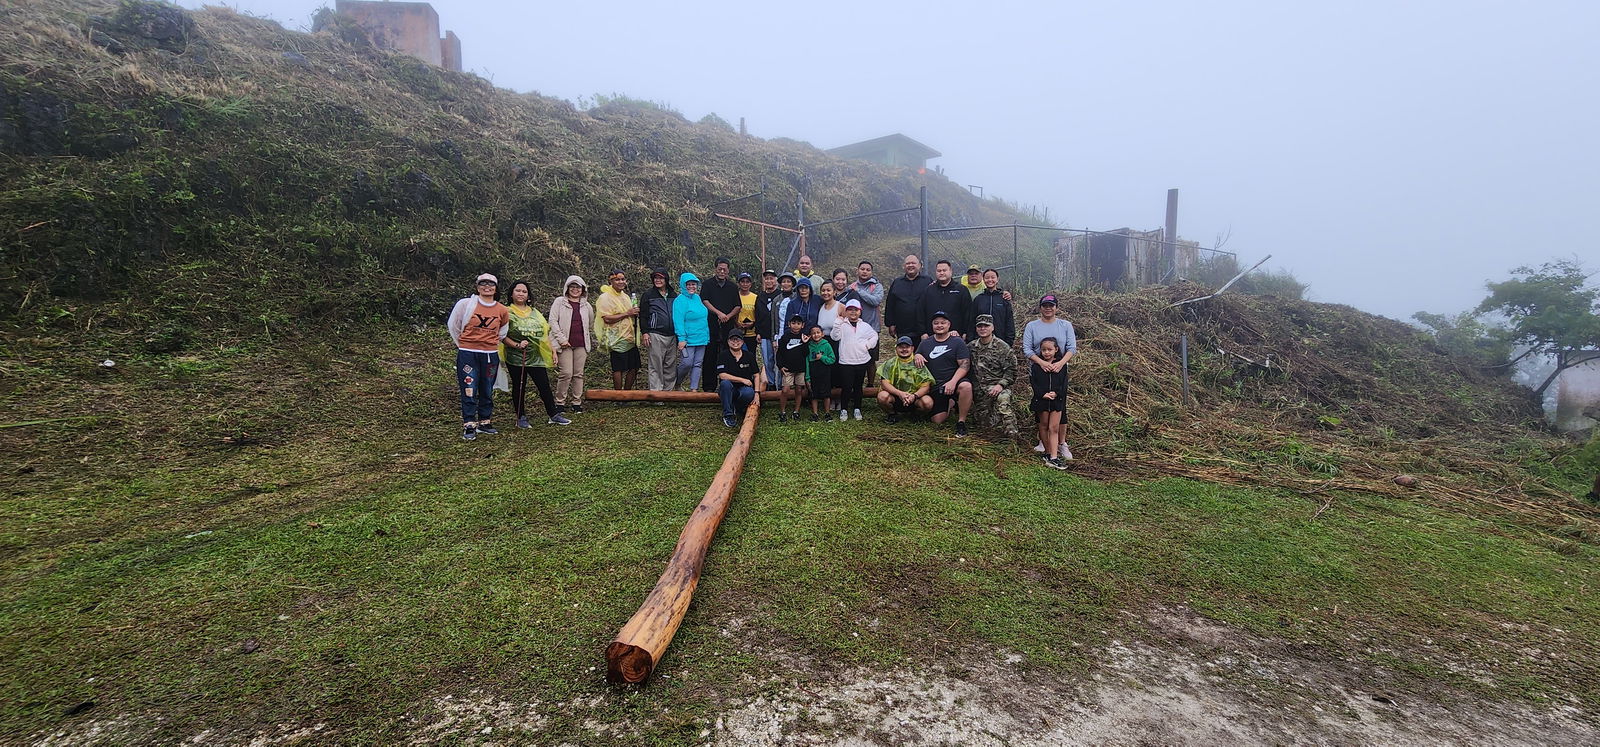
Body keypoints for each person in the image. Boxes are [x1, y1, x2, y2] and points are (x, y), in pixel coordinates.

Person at [447, 273, 509, 440]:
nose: (487, 287)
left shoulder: (502, 310)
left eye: (491, 284)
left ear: (496, 288)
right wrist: (464, 344)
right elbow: (454, 325)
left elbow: (502, 332)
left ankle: (485, 421)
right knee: (469, 387)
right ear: (477, 286)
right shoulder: (466, 304)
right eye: (483, 283)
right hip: (468, 353)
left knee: (487, 388)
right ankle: (469, 423)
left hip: (490, 354)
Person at [503, 280, 568, 427]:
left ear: (528, 295)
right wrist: (517, 345)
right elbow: (501, 335)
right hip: (516, 356)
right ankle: (521, 417)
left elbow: (545, 334)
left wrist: (553, 351)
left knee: (544, 384)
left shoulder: (535, 312)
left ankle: (553, 414)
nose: (521, 293)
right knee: (519, 386)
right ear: (512, 294)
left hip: (536, 356)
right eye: (518, 291)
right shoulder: (506, 312)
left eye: (524, 291)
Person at [1022, 294, 1078, 459]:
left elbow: (1071, 348)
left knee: (1060, 404)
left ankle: (1062, 443)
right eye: (1045, 305)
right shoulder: (1032, 326)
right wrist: (1042, 363)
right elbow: (1027, 349)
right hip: (1039, 370)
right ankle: (1043, 441)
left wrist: (1060, 364)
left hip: (1059, 370)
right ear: (1040, 308)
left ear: (1056, 307)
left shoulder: (1065, 325)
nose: (1048, 308)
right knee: (1041, 403)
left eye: (1051, 305)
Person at [914, 310, 973, 437]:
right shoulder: (925, 343)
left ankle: (961, 422)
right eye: (936, 323)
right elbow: (915, 359)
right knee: (937, 420)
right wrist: (917, 355)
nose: (939, 325)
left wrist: (952, 382)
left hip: (953, 382)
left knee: (966, 386)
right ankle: (951, 403)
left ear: (949, 325)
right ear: (932, 325)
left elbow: (965, 365)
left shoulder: (957, 342)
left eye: (943, 323)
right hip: (935, 386)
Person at [968, 314, 1020, 441]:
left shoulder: (1003, 347)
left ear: (992, 328)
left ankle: (1012, 435)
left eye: (986, 325)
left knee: (1004, 402)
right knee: (984, 426)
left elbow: (1011, 371)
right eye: (979, 326)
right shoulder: (971, 347)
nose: (982, 328)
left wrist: (1000, 385)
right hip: (979, 389)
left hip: (998, 386)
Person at [548, 275, 593, 415]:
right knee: (566, 373)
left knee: (578, 374)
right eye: (572, 287)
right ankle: (560, 402)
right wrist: (561, 339)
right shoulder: (560, 302)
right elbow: (552, 321)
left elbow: (590, 323)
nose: (575, 290)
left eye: (578, 287)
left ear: (583, 289)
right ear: (567, 288)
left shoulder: (586, 305)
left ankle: (576, 402)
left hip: (581, 344)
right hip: (564, 344)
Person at [831, 299, 878, 421]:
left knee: (858, 386)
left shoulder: (865, 326)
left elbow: (874, 336)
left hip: (861, 361)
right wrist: (837, 322)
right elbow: (834, 337)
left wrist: (868, 345)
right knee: (846, 387)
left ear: (860, 312)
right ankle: (844, 409)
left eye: (856, 310)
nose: (853, 312)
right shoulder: (842, 325)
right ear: (846, 311)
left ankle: (857, 408)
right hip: (846, 361)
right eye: (850, 310)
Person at [596, 270, 640, 393]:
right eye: (617, 279)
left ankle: (626, 393)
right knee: (618, 368)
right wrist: (627, 313)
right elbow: (606, 318)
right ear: (611, 281)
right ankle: (618, 395)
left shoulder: (626, 296)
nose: (621, 282)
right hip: (616, 337)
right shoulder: (605, 297)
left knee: (634, 366)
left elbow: (631, 314)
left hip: (630, 336)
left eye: (623, 279)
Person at [700, 258, 741, 392]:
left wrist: (728, 316)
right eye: (720, 269)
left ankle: (726, 385)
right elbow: (705, 301)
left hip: (727, 327)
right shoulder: (707, 284)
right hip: (710, 325)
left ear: (728, 270)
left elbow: (737, 306)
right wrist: (718, 313)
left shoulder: (733, 287)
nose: (722, 271)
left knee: (727, 355)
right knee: (710, 356)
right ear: (715, 269)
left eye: (725, 269)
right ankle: (709, 387)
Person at [843, 261, 885, 389]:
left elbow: (876, 300)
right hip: (853, 328)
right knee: (854, 356)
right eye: (862, 269)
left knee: (871, 359)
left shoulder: (876, 286)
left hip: (871, 328)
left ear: (871, 272)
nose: (865, 271)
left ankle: (871, 385)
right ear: (857, 271)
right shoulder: (851, 287)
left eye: (868, 269)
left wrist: (859, 291)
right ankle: (856, 385)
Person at [1031, 337, 1070, 470]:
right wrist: (1042, 394)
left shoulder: (1061, 365)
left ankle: (1054, 456)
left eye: (1049, 349)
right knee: (1043, 425)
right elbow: (1034, 383)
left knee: (1053, 428)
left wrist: (1056, 393)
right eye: (1044, 350)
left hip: (1056, 401)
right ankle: (1047, 453)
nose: (1046, 352)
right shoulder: (1036, 366)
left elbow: (1064, 384)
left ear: (1056, 350)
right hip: (1042, 400)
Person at [876, 335, 934, 424]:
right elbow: (884, 383)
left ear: (912, 348)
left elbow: (926, 386)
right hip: (895, 397)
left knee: (928, 402)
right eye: (901, 347)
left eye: (907, 347)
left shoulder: (919, 363)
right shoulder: (889, 364)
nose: (904, 350)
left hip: (915, 398)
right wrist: (900, 394)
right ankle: (892, 414)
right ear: (896, 349)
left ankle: (916, 415)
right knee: (882, 396)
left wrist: (914, 396)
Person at [715, 329, 763, 428]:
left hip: (744, 389)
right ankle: (728, 415)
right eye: (732, 340)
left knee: (749, 393)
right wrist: (742, 380)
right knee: (725, 384)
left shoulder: (749, 356)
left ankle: (738, 407)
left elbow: (756, 374)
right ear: (728, 341)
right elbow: (722, 375)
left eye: (738, 340)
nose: (735, 342)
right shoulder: (723, 355)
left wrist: (757, 393)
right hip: (729, 389)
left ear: (742, 342)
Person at [640, 267, 678, 391]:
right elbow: (643, 315)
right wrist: (645, 332)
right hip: (655, 333)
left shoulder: (673, 295)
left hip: (672, 334)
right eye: (656, 278)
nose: (658, 280)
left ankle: (668, 392)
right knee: (656, 365)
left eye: (661, 278)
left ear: (666, 279)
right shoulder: (648, 295)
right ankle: (656, 393)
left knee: (670, 365)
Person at [673, 272, 710, 390]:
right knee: (687, 363)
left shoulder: (697, 298)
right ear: (683, 285)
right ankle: (676, 383)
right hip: (688, 339)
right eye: (688, 284)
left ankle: (694, 389)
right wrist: (681, 338)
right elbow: (678, 320)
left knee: (698, 364)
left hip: (701, 337)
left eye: (693, 284)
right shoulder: (680, 300)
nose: (691, 287)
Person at [884, 254, 932, 342]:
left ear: (920, 265)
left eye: (913, 263)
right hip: (903, 329)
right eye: (907, 263)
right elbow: (890, 304)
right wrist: (891, 324)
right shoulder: (897, 282)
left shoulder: (928, 281)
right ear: (904, 266)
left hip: (923, 331)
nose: (910, 265)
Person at [920, 260, 972, 339]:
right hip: (932, 337)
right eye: (939, 271)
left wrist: (965, 332)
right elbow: (920, 312)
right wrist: (923, 332)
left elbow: (968, 313)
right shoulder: (928, 290)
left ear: (950, 271)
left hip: (955, 336)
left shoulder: (961, 290)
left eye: (944, 270)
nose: (941, 273)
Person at [775, 314, 810, 422]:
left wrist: (804, 343)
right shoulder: (784, 337)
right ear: (789, 324)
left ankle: (796, 411)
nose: (796, 326)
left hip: (800, 369)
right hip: (788, 369)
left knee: (799, 390)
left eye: (798, 323)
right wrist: (780, 366)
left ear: (802, 325)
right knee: (785, 390)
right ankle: (782, 411)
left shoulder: (804, 337)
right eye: (793, 323)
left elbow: (806, 353)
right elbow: (779, 353)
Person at [968, 268, 1016, 345]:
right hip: (980, 342)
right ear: (983, 279)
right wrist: (971, 339)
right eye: (987, 278)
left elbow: (1009, 321)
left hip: (1001, 341)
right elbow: (972, 321)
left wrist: (1009, 341)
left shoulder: (1004, 299)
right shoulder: (978, 299)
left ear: (997, 279)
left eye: (993, 277)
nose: (990, 280)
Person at [805, 323, 836, 421]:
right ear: (810, 335)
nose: (816, 335)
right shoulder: (809, 346)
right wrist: (807, 377)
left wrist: (822, 357)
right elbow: (807, 363)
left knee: (826, 394)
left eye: (818, 332)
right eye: (813, 333)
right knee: (814, 395)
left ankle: (827, 413)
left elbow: (832, 359)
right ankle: (815, 414)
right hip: (813, 373)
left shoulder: (827, 345)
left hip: (825, 373)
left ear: (822, 334)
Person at [754, 269, 780, 388]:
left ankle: (780, 383)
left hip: (778, 334)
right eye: (767, 278)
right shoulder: (760, 296)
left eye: (771, 278)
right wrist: (758, 332)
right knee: (767, 360)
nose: (769, 281)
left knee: (778, 360)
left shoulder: (780, 295)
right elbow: (757, 315)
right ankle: (771, 382)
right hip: (764, 333)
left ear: (776, 280)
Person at [736, 272, 760, 347]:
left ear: (750, 284)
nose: (745, 284)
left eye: (747, 282)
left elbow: (759, 315)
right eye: (742, 282)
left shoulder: (756, 297)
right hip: (737, 332)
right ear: (739, 283)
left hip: (751, 333)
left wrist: (753, 323)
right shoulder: (735, 296)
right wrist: (737, 323)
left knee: (750, 356)